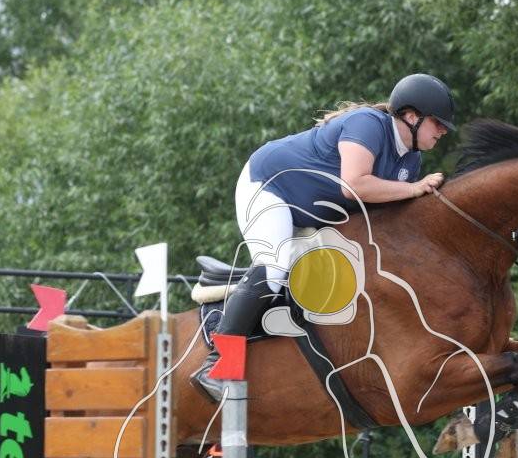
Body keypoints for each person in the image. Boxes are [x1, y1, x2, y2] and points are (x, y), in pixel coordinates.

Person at [192, 73, 457, 401]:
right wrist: (415, 189)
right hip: (269, 187)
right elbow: (354, 185)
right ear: (412, 117)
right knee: (275, 266)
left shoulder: (411, 160)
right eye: (438, 123)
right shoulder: (369, 125)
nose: (443, 131)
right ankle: (218, 365)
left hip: (312, 213)